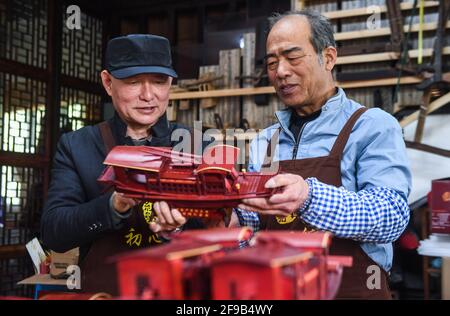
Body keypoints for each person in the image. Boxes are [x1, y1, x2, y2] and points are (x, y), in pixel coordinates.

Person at [234, 10, 412, 299]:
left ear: (328, 57)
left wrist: (308, 197)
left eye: (293, 58)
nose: (280, 72)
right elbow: (250, 231)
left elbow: (391, 217)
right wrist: (225, 223)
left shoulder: (372, 127)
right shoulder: (264, 143)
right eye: (271, 62)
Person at [41, 34, 203, 295]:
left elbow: (220, 229)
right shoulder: (77, 146)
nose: (148, 95)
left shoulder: (196, 144)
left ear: (170, 83)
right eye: (134, 82)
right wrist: (113, 206)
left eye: (159, 82)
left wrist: (180, 226)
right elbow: (54, 232)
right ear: (108, 82)